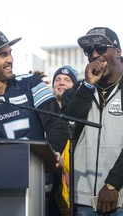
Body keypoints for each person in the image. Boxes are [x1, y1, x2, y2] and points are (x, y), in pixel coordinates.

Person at [0, 29, 70, 215]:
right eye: (2, 54)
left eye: (10, 53)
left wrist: (53, 153)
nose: (10, 59)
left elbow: (57, 123)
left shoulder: (31, 83)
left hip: (38, 190)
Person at [62, 27, 123, 215]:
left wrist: (113, 184)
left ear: (118, 52)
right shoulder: (82, 88)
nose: (95, 54)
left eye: (101, 47)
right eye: (89, 50)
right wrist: (88, 86)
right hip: (83, 199)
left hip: (119, 198)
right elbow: (67, 125)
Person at [51, 65, 78, 216]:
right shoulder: (45, 114)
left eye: (67, 80)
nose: (61, 83)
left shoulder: (80, 113)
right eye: (58, 80)